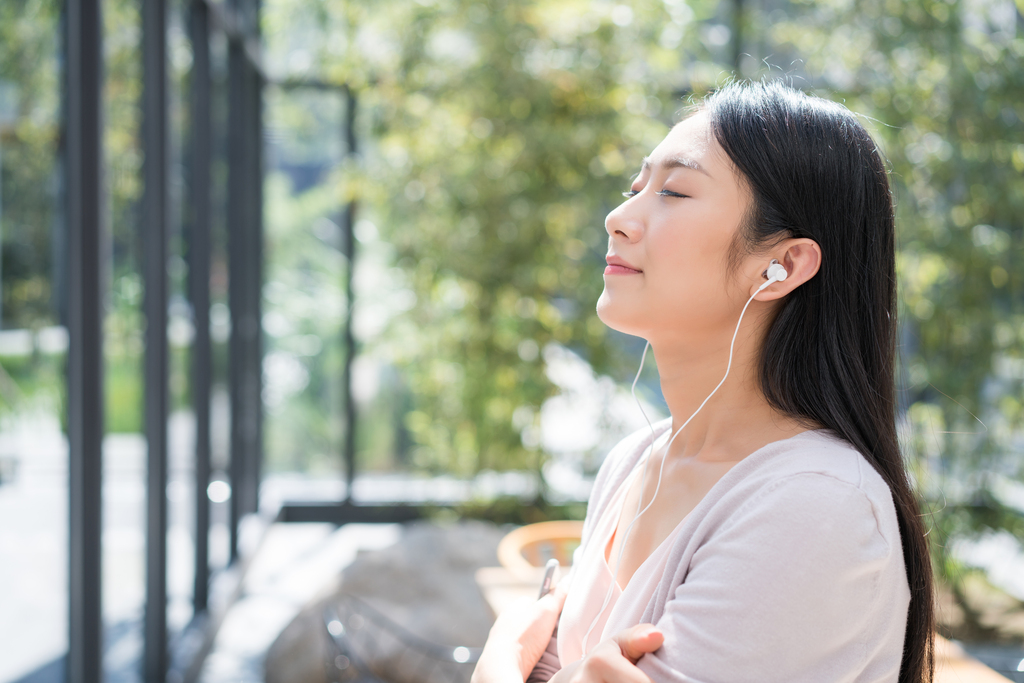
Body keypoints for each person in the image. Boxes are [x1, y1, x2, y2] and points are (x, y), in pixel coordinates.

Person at [472, 80, 934, 683]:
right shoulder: (636, 460)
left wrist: (497, 665)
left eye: (674, 191)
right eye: (634, 188)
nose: (618, 218)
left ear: (783, 265)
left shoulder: (814, 506)